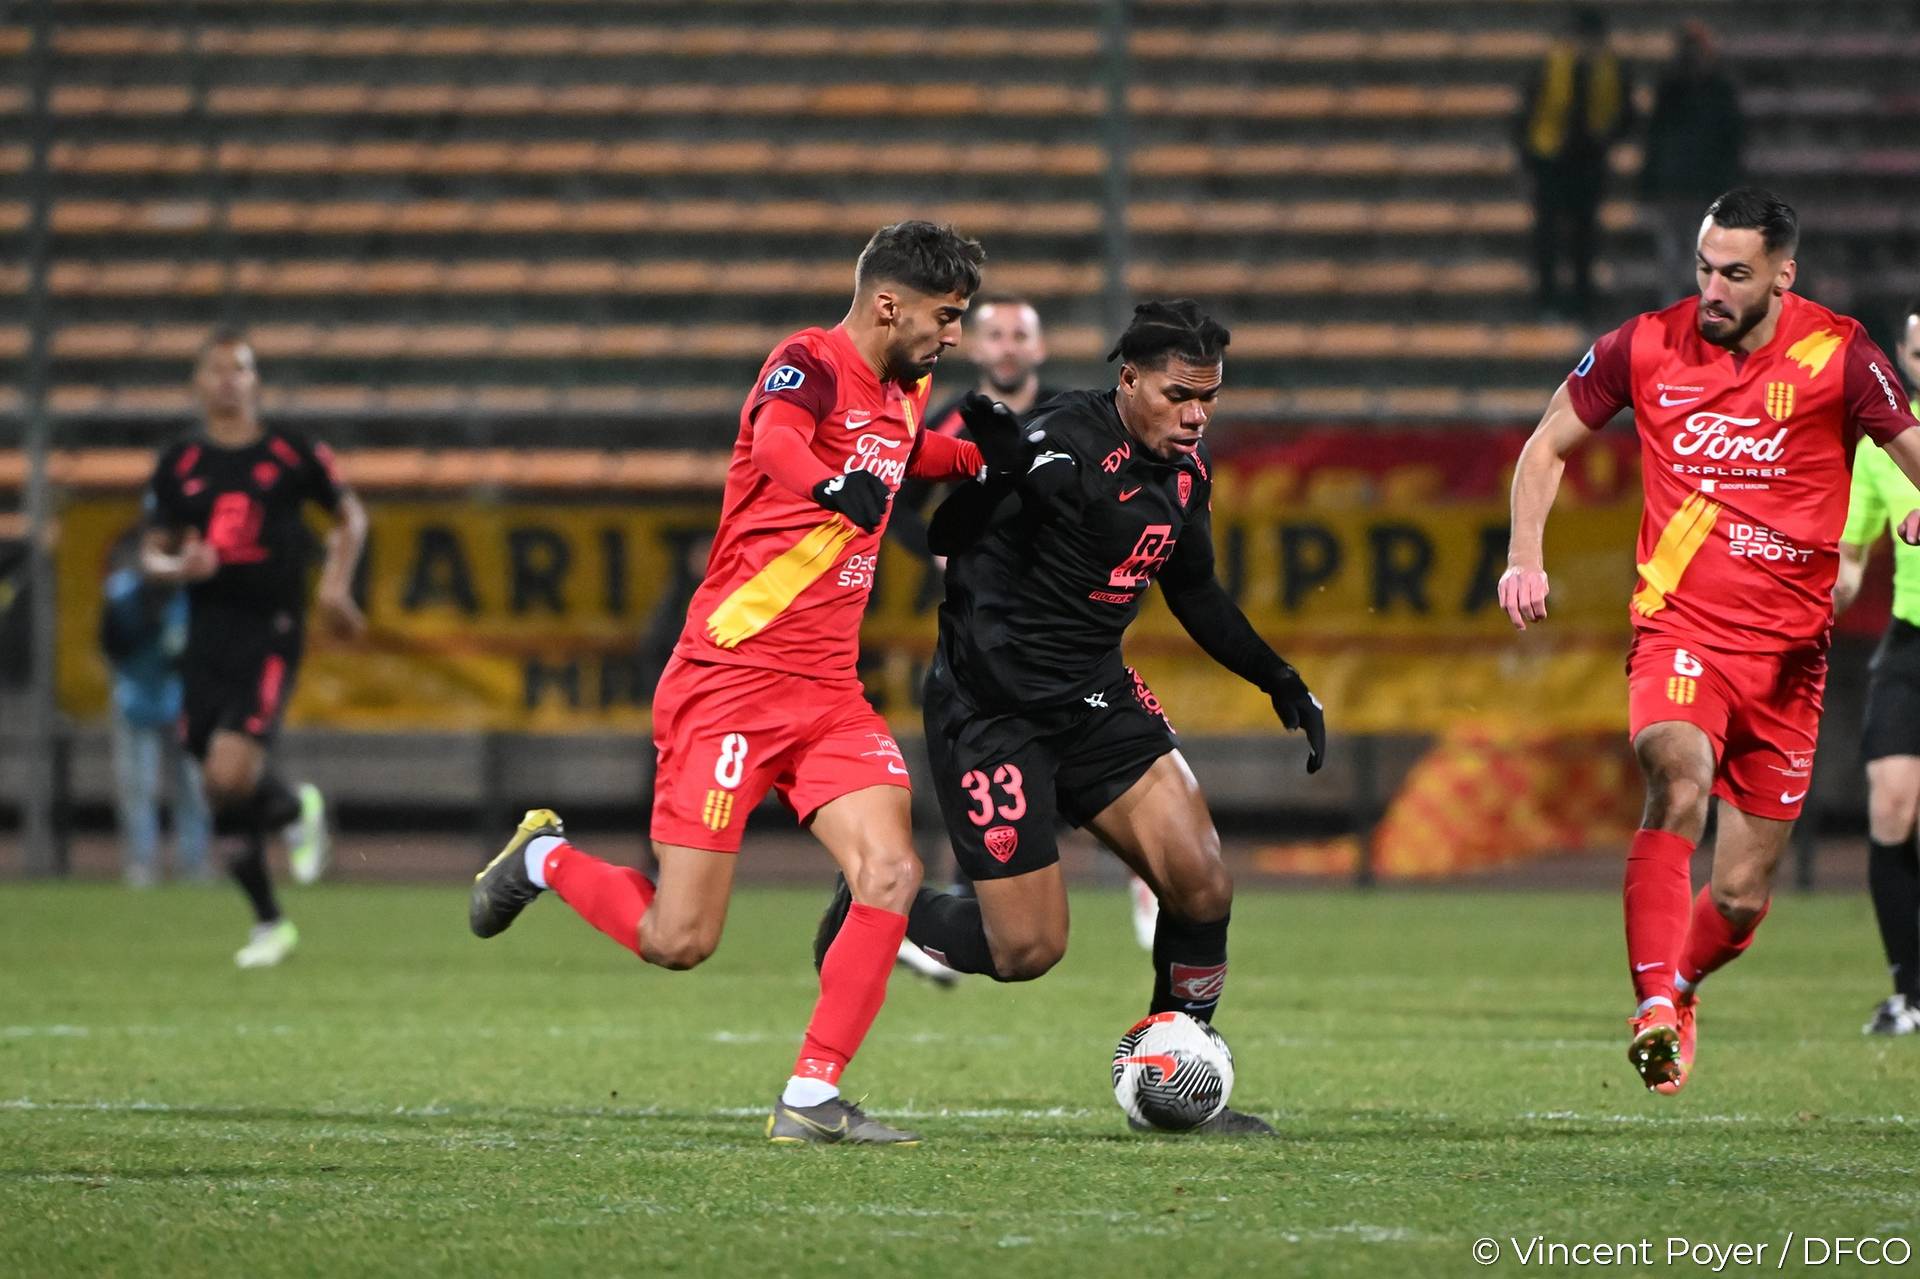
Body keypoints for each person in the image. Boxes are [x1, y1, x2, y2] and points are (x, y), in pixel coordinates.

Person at [468, 221, 996, 1145]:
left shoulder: (910, 386)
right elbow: (784, 443)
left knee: (892, 870)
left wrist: (991, 455)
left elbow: (901, 453)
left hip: (829, 690)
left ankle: (811, 1096)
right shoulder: (807, 360)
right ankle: (543, 859)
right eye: (945, 316)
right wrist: (831, 490)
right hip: (730, 680)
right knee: (681, 940)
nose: (953, 334)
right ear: (888, 304)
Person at [815, 300, 1327, 1136]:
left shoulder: (1187, 470)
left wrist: (1278, 677)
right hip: (994, 710)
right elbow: (950, 528)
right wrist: (1012, 477)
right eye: (1178, 395)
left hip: (1096, 698)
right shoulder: (1061, 438)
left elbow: (1191, 587)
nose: (1196, 415)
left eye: (1210, 398)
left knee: (1201, 878)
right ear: (1127, 380)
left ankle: (1179, 1080)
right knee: (1027, 951)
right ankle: (880, 906)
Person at [1498, 189, 1920, 1093]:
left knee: (1736, 896)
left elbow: (1913, 445)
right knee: (1676, 776)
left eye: (1735, 273)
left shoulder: (1839, 354)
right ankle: (1651, 1003)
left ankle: (1683, 986)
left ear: (1782, 273)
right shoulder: (1646, 344)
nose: (1713, 289)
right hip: (1680, 629)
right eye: (1704, 268)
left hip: (1792, 662)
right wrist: (1522, 556)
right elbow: (1545, 446)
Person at [141, 331, 365, 967]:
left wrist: (334, 585)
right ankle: (271, 916)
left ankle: (295, 813)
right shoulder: (180, 461)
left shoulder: (291, 450)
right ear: (199, 383)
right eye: (217, 370)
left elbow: (350, 515)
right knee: (217, 788)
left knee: (227, 772)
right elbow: (152, 550)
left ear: (254, 379)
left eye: (240, 369)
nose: (229, 380)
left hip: (270, 626)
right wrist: (175, 565)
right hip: (206, 628)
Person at [1834, 298, 1920, 1036]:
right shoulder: (1883, 447)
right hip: (1909, 642)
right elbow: (1854, 548)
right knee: (1891, 806)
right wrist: (1835, 586)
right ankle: (1910, 993)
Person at [99, 550, 211, 886]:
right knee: (139, 786)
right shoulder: (124, 591)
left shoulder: (190, 593)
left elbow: (198, 649)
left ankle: (194, 864)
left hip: (180, 698)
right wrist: (147, 616)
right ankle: (140, 865)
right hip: (135, 695)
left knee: (191, 786)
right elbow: (112, 642)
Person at [1517, 6, 1633, 318]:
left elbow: (1625, 115)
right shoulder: (1549, 66)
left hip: (1589, 163)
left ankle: (1582, 300)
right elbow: (1527, 114)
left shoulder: (1612, 69)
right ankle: (1547, 299)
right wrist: (1529, 160)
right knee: (1548, 234)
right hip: (1551, 160)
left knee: (1585, 234)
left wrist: (1607, 141)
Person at [1639, 23, 1744, 289]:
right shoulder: (1672, 88)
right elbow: (1654, 136)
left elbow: (1731, 140)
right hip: (1678, 180)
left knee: (1698, 253)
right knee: (1676, 253)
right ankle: (1679, 309)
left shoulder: (1718, 90)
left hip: (1700, 182)